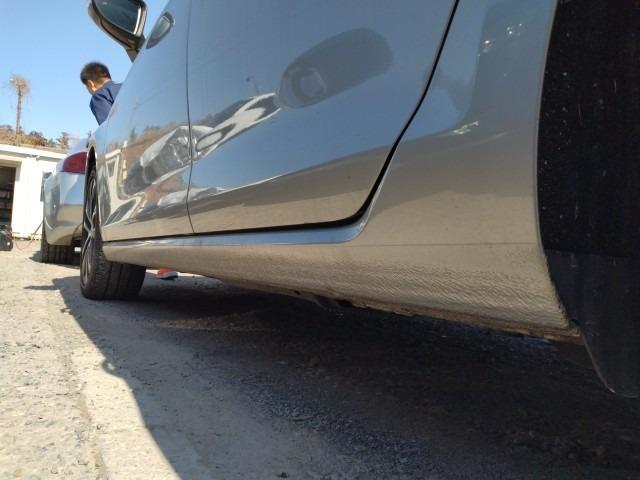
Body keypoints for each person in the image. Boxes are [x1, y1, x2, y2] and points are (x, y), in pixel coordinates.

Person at [80, 62, 178, 281]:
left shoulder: (99, 96)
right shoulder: (129, 88)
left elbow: (110, 129)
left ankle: (132, 263)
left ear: (91, 84)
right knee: (160, 199)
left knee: (137, 206)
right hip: (157, 142)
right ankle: (168, 263)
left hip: (134, 152)